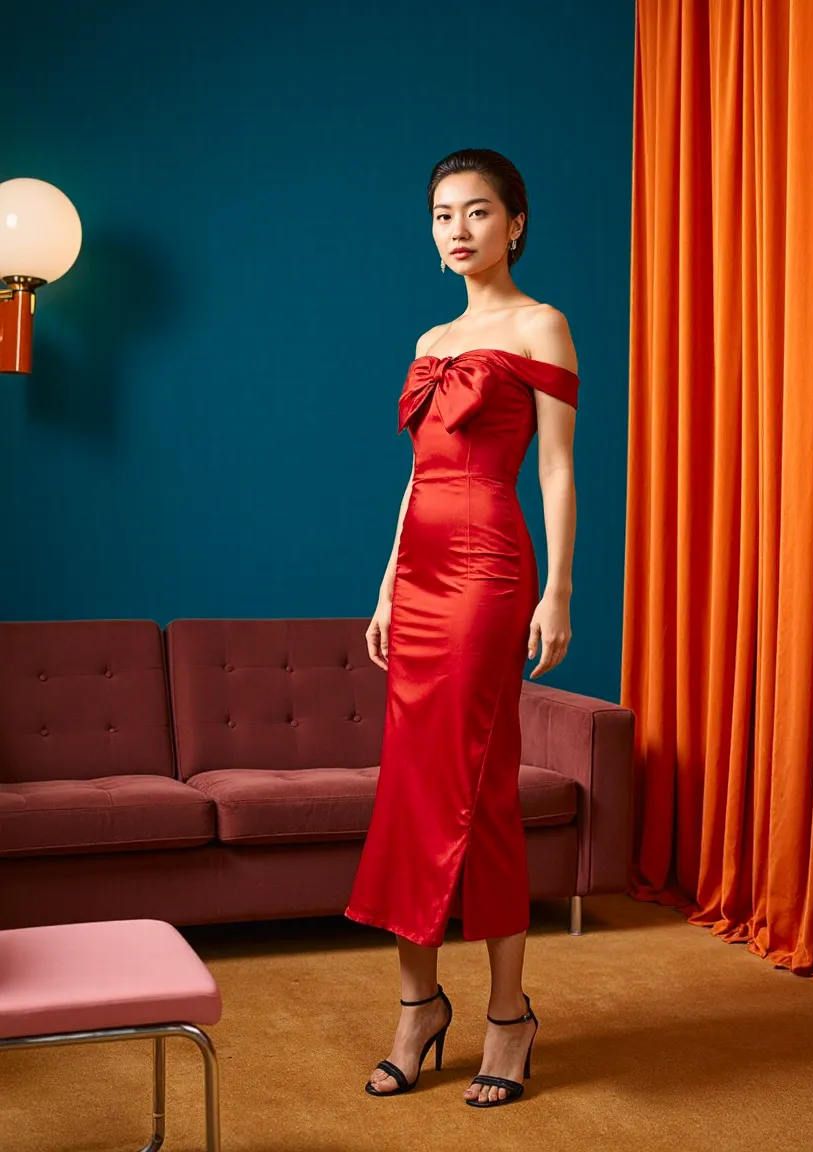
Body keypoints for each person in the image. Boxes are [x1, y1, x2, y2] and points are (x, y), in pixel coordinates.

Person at [344, 147, 578, 1108]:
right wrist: (389, 584)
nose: (458, 229)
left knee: (477, 782)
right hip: (426, 572)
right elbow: (416, 477)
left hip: (490, 568)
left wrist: (558, 590)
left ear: (514, 224)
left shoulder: (542, 325)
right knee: (409, 784)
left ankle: (509, 1017)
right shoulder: (431, 334)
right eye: (443, 214)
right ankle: (418, 1005)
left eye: (478, 212)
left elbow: (557, 469)